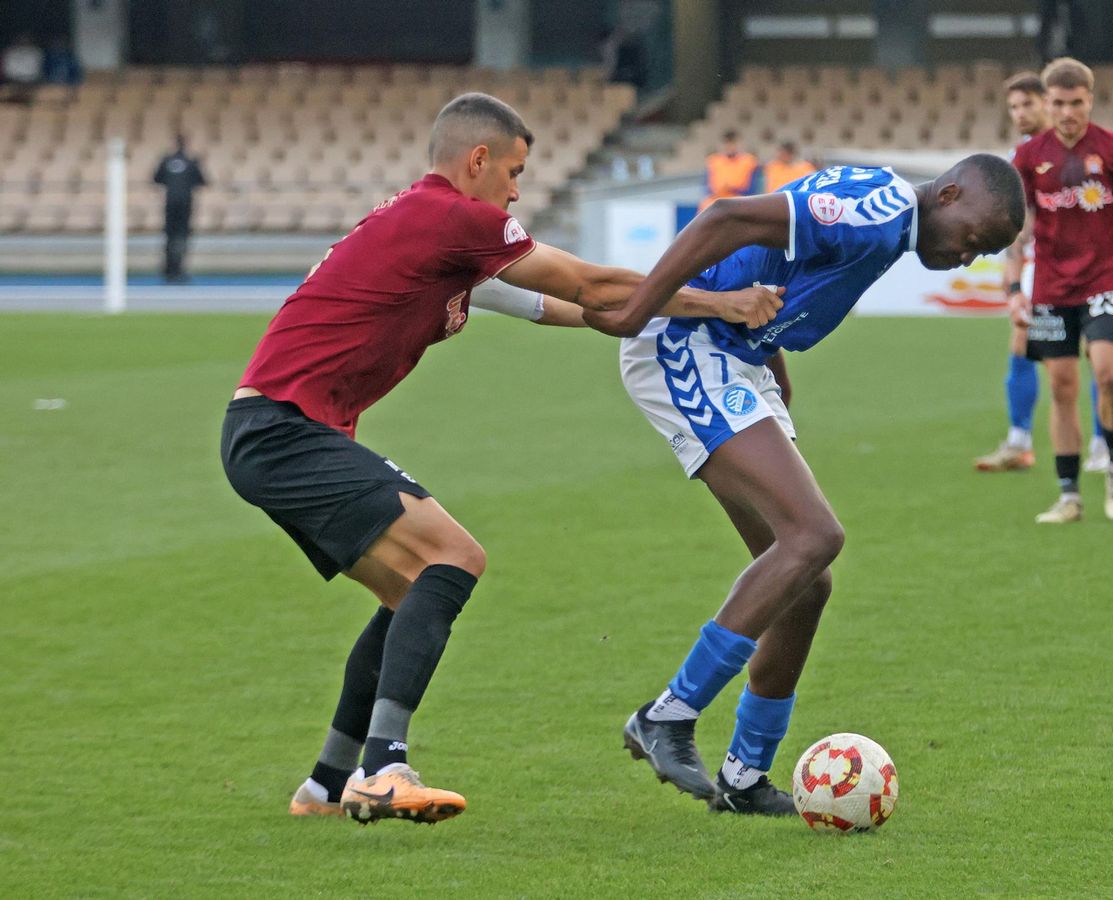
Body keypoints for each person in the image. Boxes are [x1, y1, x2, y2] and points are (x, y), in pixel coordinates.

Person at [221, 92, 782, 826]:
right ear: (476, 160)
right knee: (454, 558)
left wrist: (694, 312)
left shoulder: (437, 238)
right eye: (513, 172)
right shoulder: (453, 217)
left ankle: (327, 785)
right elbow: (590, 284)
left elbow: (573, 309)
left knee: (406, 594)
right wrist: (723, 300)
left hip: (272, 433)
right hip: (283, 431)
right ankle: (383, 769)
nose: (518, 190)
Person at [586, 156, 1024, 814]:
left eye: (982, 253)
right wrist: (634, 311)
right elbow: (728, 218)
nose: (967, 256)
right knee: (815, 535)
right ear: (951, 192)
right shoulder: (879, 214)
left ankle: (742, 778)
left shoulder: (889, 226)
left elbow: (772, 264)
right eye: (973, 237)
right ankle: (667, 716)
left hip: (738, 357)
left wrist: (772, 363)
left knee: (806, 580)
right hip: (687, 342)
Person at [1010, 58, 1113, 524]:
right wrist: (1015, 287)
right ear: (1047, 103)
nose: (1067, 112)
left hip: (1103, 282)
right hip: (1051, 288)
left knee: (1109, 372)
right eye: (1058, 103)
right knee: (1061, 386)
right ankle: (1069, 495)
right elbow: (1022, 226)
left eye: (1076, 103)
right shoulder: (1030, 156)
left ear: (1090, 100)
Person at [976, 71, 1110, 474]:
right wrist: (1013, 272)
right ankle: (1020, 441)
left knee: (1094, 355)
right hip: (1041, 269)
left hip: (1088, 270)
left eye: (1027, 104)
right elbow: (1019, 221)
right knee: (1022, 345)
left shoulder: (1075, 150)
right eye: (1013, 107)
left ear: (1047, 102)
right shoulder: (1025, 154)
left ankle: (1103, 443)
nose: (1019, 114)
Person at [152, 137, 206, 283]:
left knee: (169, 237)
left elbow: (156, 179)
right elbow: (202, 181)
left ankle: (169, 270)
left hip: (170, 203)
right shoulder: (191, 162)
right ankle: (178, 270)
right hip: (185, 204)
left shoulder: (167, 160)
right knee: (182, 237)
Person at [700, 130, 759, 212]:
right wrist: (721, 190)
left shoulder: (749, 161)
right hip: (717, 201)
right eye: (727, 143)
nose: (730, 146)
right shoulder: (714, 162)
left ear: (739, 144)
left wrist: (732, 189)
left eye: (733, 143)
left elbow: (752, 189)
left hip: (740, 200)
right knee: (705, 205)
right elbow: (708, 188)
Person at [1, 32, 43, 102]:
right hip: (13, 83)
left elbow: (36, 72)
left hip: (31, 84)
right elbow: (8, 72)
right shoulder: (10, 52)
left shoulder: (36, 52)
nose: (23, 41)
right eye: (21, 39)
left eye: (26, 39)